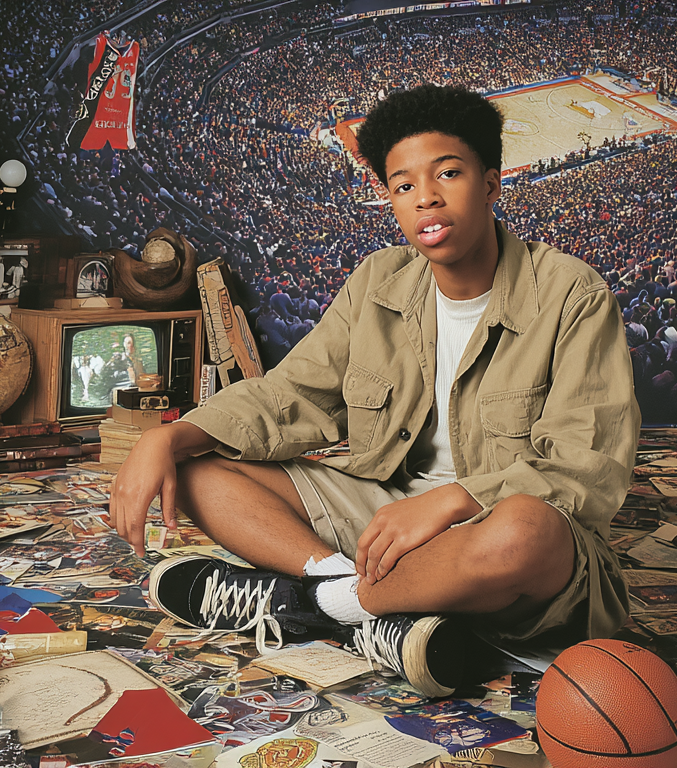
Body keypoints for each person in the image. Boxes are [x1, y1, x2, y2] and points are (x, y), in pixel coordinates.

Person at [109, 84, 638, 697]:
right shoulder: (378, 280)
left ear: (492, 183)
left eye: (448, 173)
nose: (426, 198)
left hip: (498, 534)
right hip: (388, 521)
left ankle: (320, 605)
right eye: (404, 185)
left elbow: (586, 470)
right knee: (200, 465)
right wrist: (168, 436)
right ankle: (351, 601)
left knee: (523, 531)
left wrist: (452, 500)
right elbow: (290, 395)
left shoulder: (573, 293)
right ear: (389, 198)